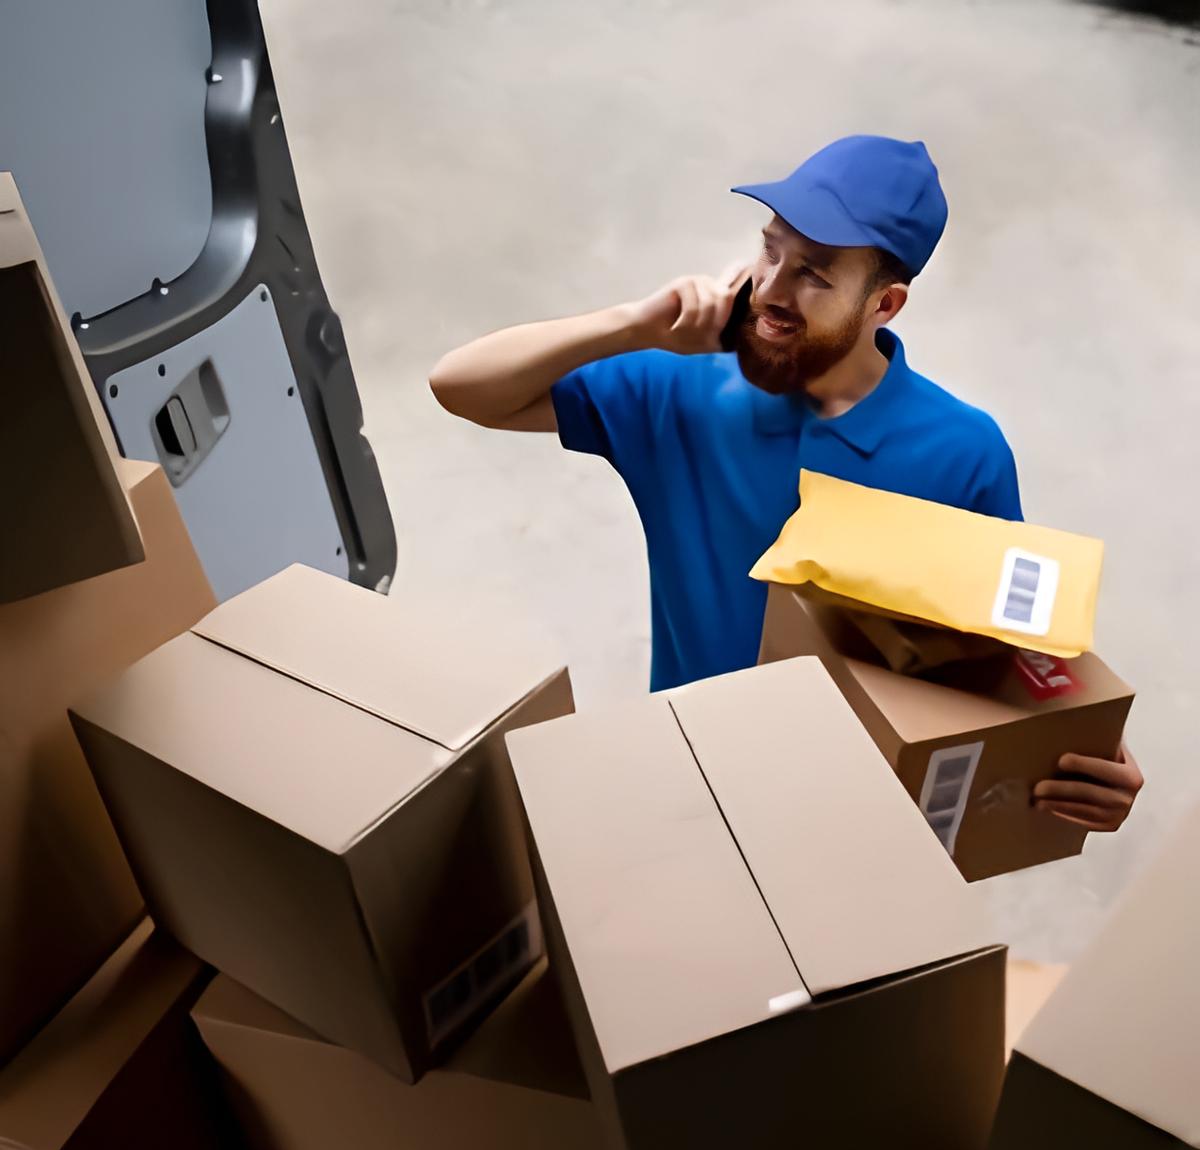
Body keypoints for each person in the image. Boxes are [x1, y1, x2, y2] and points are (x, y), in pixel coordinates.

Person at [430, 134, 1143, 832]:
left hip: (856, 824)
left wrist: (1087, 759)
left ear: (885, 305)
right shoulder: (679, 389)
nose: (771, 288)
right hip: (686, 791)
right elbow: (463, 387)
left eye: (815, 272)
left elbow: (1005, 656)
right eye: (770, 248)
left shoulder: (963, 450)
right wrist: (634, 325)